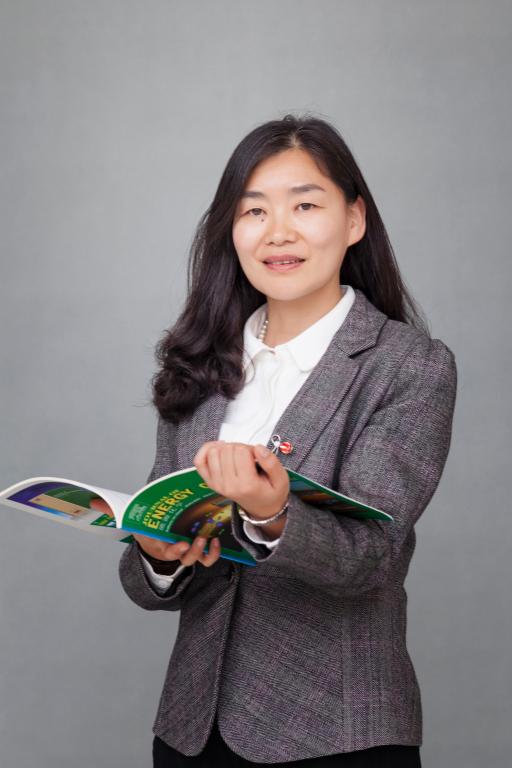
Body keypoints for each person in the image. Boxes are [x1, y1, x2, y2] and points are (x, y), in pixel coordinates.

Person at [110, 114, 457, 766]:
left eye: (305, 205)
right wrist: (156, 552)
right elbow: (142, 579)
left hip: (338, 733)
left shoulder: (409, 366)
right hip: (191, 732)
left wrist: (272, 515)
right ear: (231, 230)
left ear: (354, 220)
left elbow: (369, 558)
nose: (278, 232)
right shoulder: (200, 364)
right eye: (254, 211)